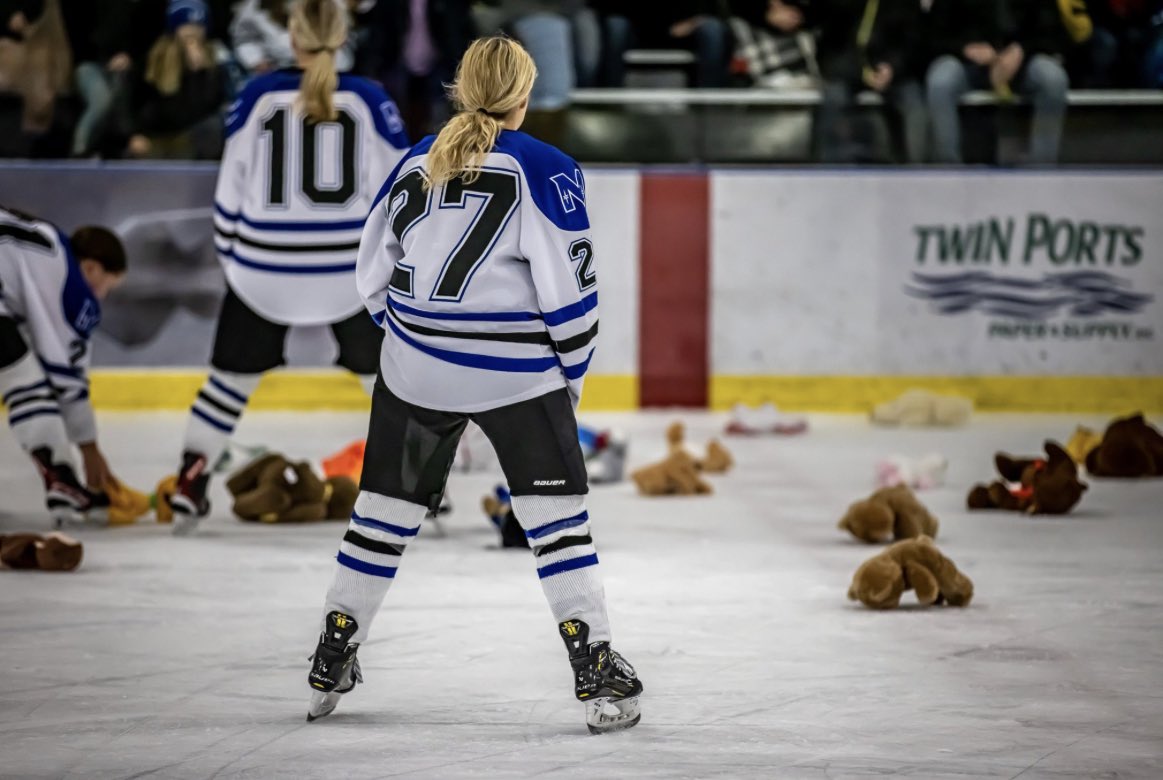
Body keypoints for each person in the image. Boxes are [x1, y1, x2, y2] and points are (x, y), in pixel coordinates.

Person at [304, 36, 643, 735]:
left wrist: (413, 342)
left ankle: (333, 649)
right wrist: (566, 382)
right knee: (557, 526)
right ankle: (594, 665)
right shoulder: (547, 169)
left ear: (461, 89)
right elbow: (570, 299)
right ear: (525, 94)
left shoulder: (413, 161)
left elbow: (370, 278)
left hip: (413, 369)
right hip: (517, 377)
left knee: (381, 514)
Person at [167, 0, 408, 533]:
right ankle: (413, 490)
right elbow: (402, 194)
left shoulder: (256, 95)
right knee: (391, 382)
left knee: (227, 383)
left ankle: (190, 483)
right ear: (343, 38)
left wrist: (237, 260)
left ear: (292, 40)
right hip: (349, 275)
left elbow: (229, 192)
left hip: (263, 272)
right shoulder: (371, 99)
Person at [0, 206, 127, 524]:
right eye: (106, 288)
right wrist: (89, 449)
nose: (100, 298)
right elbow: (66, 377)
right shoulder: (74, 287)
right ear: (93, 269)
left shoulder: (41, 241)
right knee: (26, 384)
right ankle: (61, 479)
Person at [926, 0, 1071, 165]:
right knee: (940, 80)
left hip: (1021, 64)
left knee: (1053, 78)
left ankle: (1042, 168)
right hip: (969, 64)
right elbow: (933, 36)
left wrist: (1021, 49)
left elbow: (1055, 33)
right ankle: (948, 168)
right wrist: (965, 48)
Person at [810, 0, 928, 164]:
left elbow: (913, 44)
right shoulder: (839, 6)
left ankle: (918, 171)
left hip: (893, 73)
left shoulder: (905, 4)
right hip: (850, 72)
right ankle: (831, 171)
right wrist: (862, 72)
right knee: (834, 97)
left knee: (912, 101)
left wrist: (893, 68)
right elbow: (829, 50)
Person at [128, 0, 231, 159]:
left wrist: (198, 74)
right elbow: (134, 99)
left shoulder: (214, 60)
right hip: (153, 134)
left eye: (198, 27)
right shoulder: (156, 58)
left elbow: (204, 109)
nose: (193, 32)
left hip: (188, 135)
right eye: (187, 27)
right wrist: (134, 133)